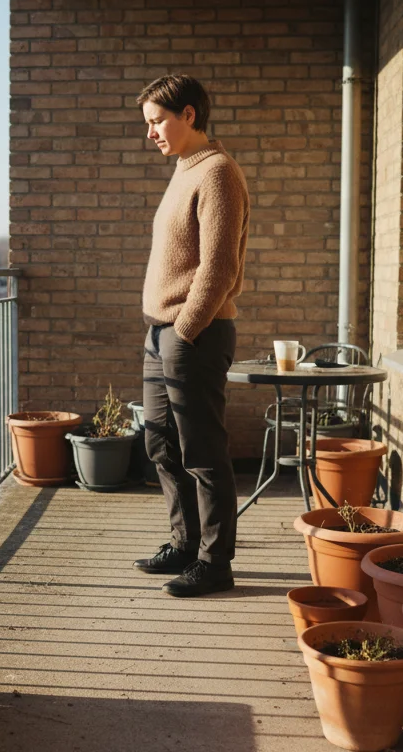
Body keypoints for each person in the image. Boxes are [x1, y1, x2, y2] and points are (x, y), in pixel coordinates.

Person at [131, 75, 249, 598]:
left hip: (193, 334)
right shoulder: (184, 171)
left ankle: (214, 563)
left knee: (202, 451)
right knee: (161, 444)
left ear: (189, 115)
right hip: (161, 335)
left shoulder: (218, 172)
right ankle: (183, 544)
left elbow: (219, 268)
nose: (151, 133)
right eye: (149, 124)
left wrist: (183, 330)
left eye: (157, 121)